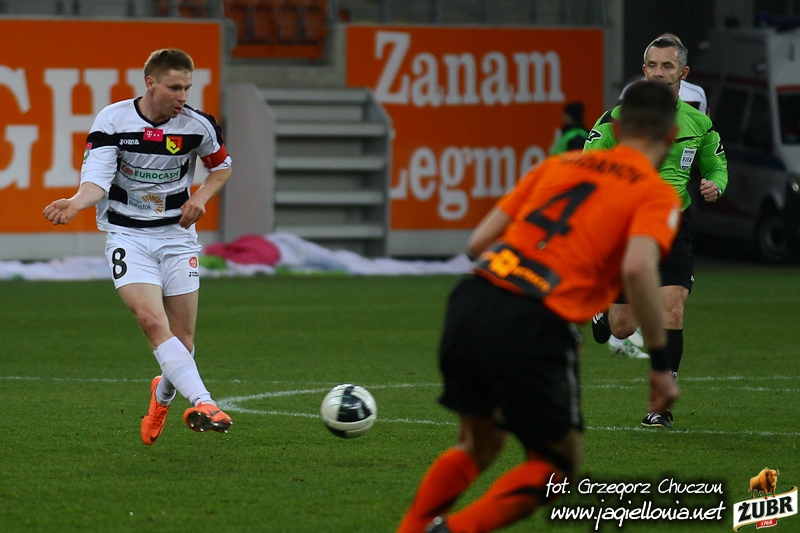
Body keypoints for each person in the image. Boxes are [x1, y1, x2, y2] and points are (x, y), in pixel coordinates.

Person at [397, 81, 681, 533]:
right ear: (671, 136)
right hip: (533, 319)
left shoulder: (558, 165)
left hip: (474, 298)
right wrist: (661, 366)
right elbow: (638, 267)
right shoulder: (654, 192)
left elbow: (478, 242)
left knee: (478, 445)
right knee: (557, 466)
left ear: (617, 126)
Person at [43, 48, 234, 445]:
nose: (183, 96)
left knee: (182, 342)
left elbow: (222, 167)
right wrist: (76, 203)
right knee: (149, 319)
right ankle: (205, 402)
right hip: (127, 235)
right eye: (174, 87)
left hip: (177, 236)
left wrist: (200, 197)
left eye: (187, 87)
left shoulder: (198, 125)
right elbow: (96, 180)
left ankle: (161, 397)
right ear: (150, 83)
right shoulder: (113, 120)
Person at [585, 35, 728, 428]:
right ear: (644, 71)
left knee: (673, 308)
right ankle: (603, 311)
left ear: (683, 73)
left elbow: (716, 164)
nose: (659, 72)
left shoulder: (698, 122)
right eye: (653, 65)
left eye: (668, 66)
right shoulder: (617, 119)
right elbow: (589, 160)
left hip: (674, 225)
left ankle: (660, 404)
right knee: (623, 326)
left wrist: (716, 184)